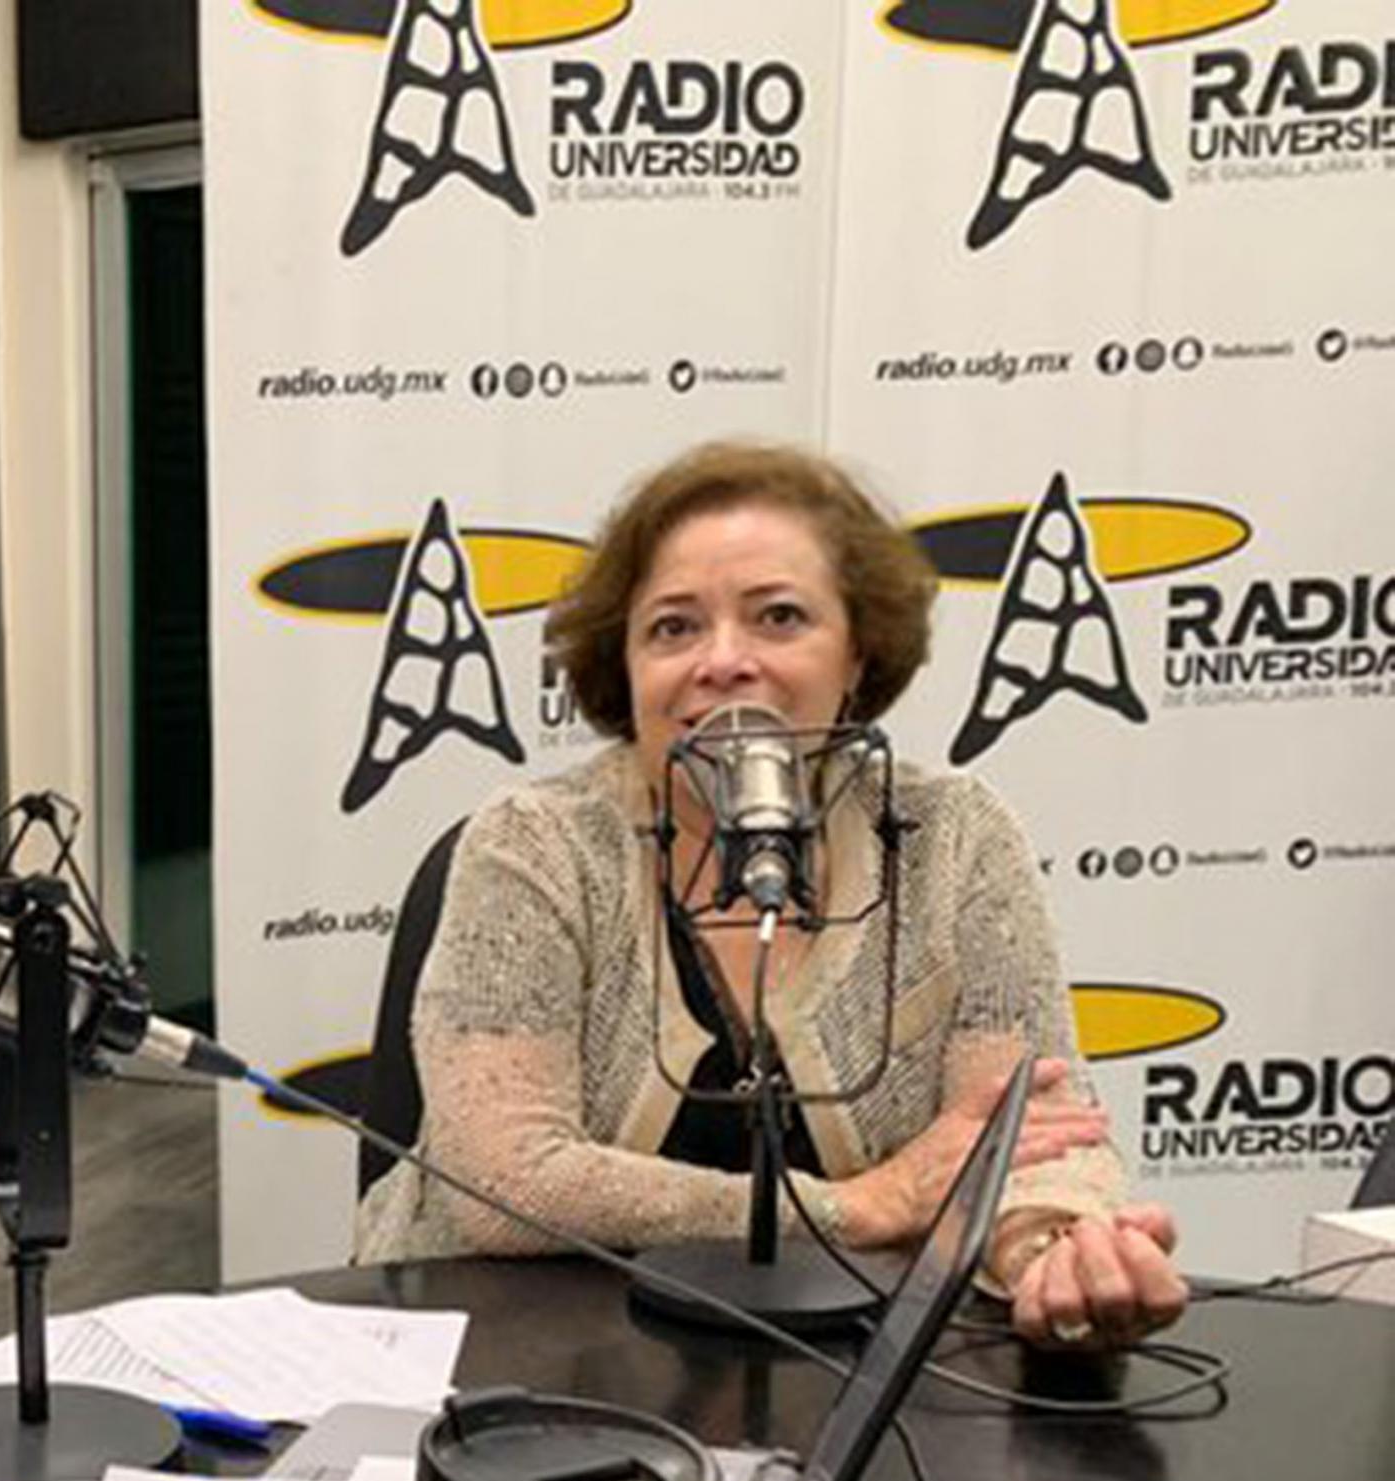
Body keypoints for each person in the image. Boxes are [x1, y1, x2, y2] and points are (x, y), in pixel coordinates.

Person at [353, 440, 1186, 1353]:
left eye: (778, 617)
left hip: (850, 1371)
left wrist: (1055, 1255)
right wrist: (859, 1208)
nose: (723, 661)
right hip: (520, 1362)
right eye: (673, 628)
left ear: (858, 652)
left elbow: (1034, 1131)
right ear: (625, 667)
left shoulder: (955, 837)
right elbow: (502, 1184)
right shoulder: (533, 844)